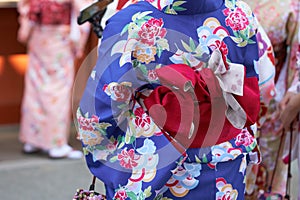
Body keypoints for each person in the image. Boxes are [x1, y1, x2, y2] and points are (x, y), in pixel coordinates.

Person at [76, 0, 275, 199]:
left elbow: (100, 114)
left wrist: (109, 160)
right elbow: (253, 81)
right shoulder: (238, 13)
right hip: (228, 160)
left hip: (157, 167)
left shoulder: (132, 22)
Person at [17, 0, 92, 159]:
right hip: (59, 35)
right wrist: (79, 39)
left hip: (38, 33)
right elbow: (84, 8)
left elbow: (26, 5)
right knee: (58, 89)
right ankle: (55, 143)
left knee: (36, 85)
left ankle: (33, 139)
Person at [242, 0, 299, 197]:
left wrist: (297, 92)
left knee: (267, 177)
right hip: (227, 106)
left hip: (273, 108)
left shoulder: (291, 5)